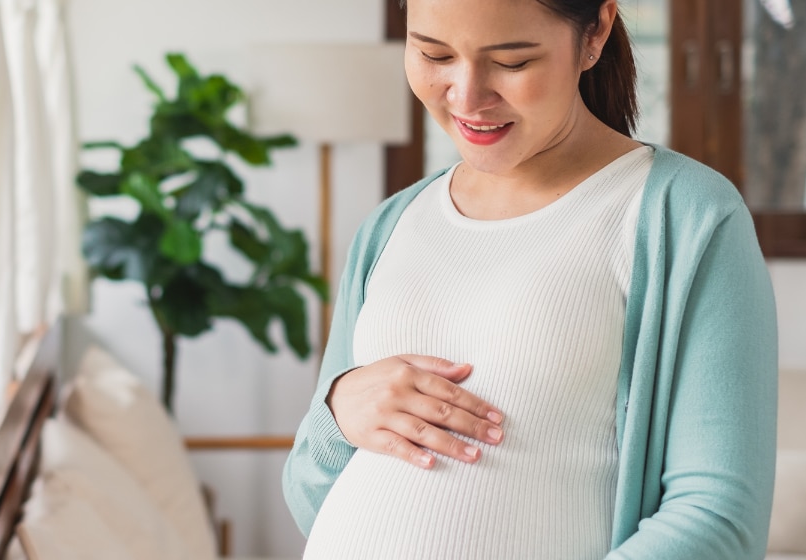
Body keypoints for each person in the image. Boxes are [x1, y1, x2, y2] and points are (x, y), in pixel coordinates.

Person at [282, 0, 779, 558]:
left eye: (513, 62)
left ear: (595, 32)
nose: (467, 95)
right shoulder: (391, 225)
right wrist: (338, 413)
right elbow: (310, 494)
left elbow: (717, 520)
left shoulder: (683, 215)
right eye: (433, 53)